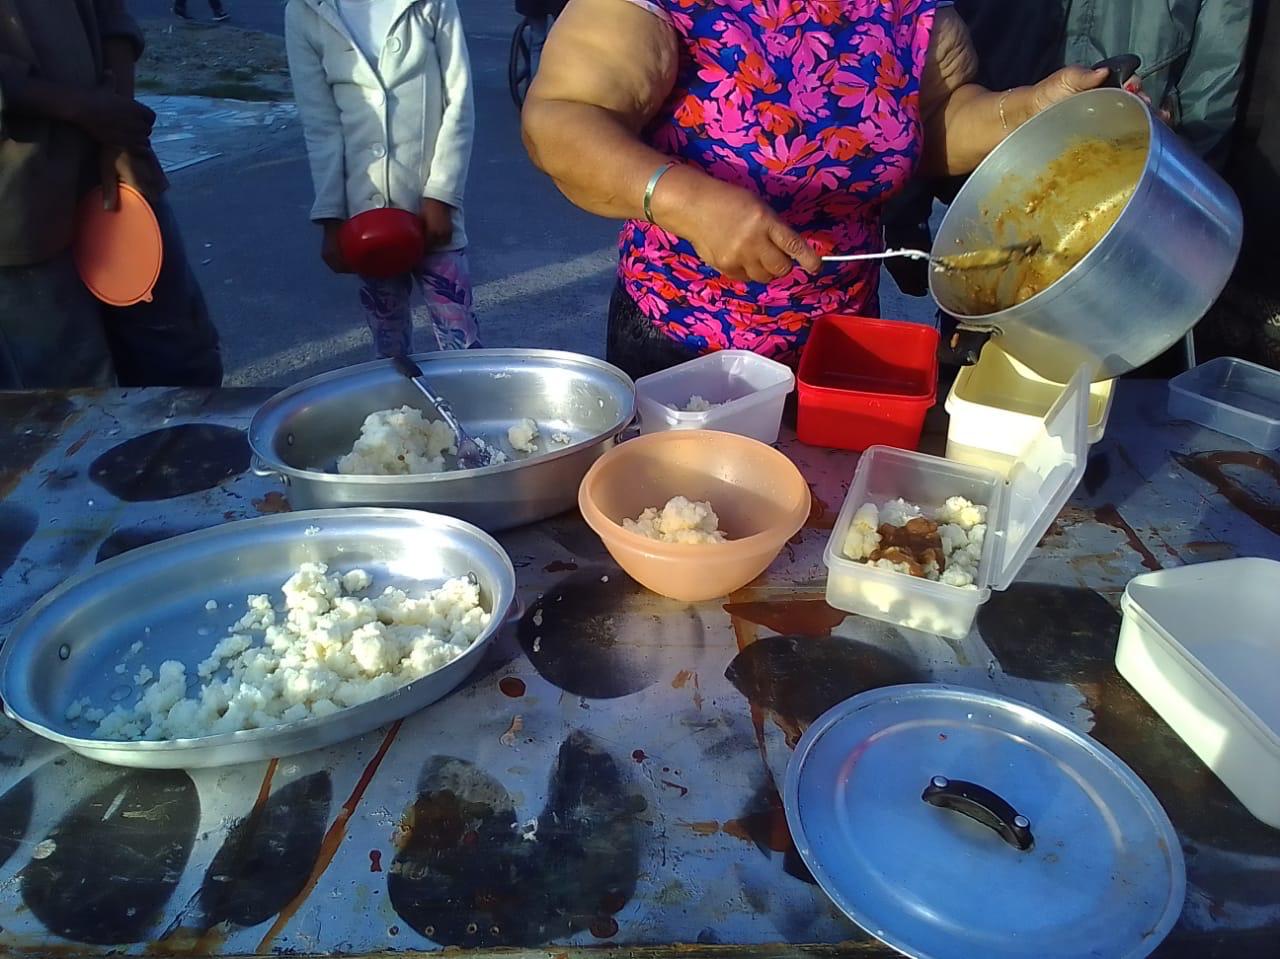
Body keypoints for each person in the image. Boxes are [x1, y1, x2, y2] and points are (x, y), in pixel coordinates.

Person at [520, 0, 1113, 381]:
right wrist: (687, 202)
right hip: (679, 344)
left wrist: (1025, 110)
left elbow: (932, 122)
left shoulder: (908, 11)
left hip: (840, 341)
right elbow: (561, 118)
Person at [0, 0, 223, 389]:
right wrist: (80, 107)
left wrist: (116, 119)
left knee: (183, 366)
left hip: (117, 161)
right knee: (69, 396)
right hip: (20, 198)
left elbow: (112, 16)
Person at [285, 0, 478, 359]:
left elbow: (459, 100)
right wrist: (331, 217)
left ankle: (466, 399)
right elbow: (321, 126)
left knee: (460, 341)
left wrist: (441, 193)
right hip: (365, 220)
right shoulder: (307, 10)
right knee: (389, 351)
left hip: (432, 213)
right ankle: (400, 398)